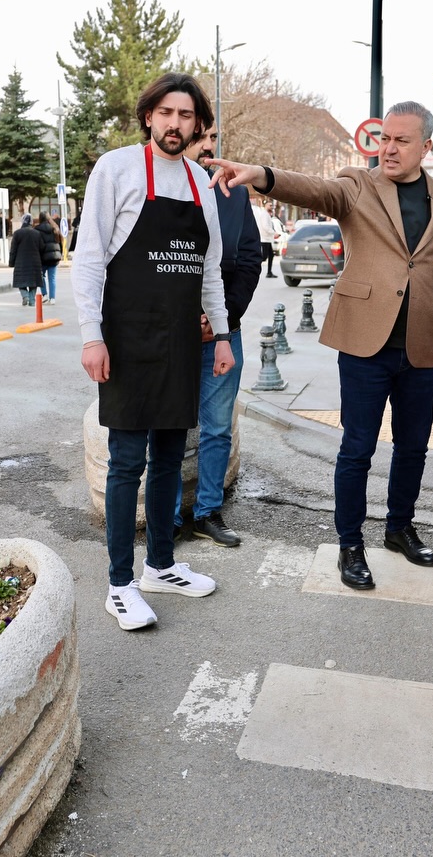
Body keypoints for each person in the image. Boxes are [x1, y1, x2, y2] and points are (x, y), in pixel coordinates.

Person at [210, 100, 433, 591]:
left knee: (413, 447)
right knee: (357, 448)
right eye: (383, 139)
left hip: (421, 344)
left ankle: (400, 529)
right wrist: (261, 175)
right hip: (364, 343)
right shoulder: (358, 184)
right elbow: (314, 188)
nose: (388, 148)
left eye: (400, 140)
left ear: (427, 146)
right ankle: (349, 543)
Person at [74, 71, 233, 631]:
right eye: (166, 113)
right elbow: (90, 258)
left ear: (198, 124)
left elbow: (209, 267)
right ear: (149, 116)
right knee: (125, 463)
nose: (175, 124)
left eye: (186, 115)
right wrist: (92, 336)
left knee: (171, 455)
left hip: (182, 343)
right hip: (126, 340)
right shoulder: (116, 168)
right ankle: (120, 583)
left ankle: (160, 565)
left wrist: (222, 334)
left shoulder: (198, 182)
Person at [173, 120, 263, 547]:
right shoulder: (161, 190)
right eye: (203, 139)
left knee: (216, 428)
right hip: (171, 333)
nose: (211, 147)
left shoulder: (233, 194)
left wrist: (221, 317)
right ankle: (168, 514)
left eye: (213, 139)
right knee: (168, 425)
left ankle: (207, 511)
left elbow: (249, 259)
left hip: (224, 333)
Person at [10, 215, 45, 306]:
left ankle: (25, 296)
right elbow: (42, 248)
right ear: (31, 222)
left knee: (20, 281)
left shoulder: (17, 233)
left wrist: (11, 262)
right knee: (34, 283)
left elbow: (13, 250)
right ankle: (32, 300)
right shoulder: (37, 233)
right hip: (35, 262)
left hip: (20, 262)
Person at [36, 212, 64, 303]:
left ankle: (45, 295)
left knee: (41, 276)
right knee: (52, 278)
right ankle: (52, 298)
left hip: (43, 257)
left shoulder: (37, 230)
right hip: (54, 257)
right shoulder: (55, 228)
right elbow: (60, 242)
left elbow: (38, 245)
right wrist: (60, 254)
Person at [253, 201, 279, 278]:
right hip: (264, 239)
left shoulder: (267, 214)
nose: (271, 207)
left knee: (271, 255)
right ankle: (253, 268)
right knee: (264, 257)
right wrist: (274, 233)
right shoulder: (264, 214)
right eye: (270, 205)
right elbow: (265, 227)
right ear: (265, 205)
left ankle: (269, 272)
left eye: (272, 205)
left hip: (267, 239)